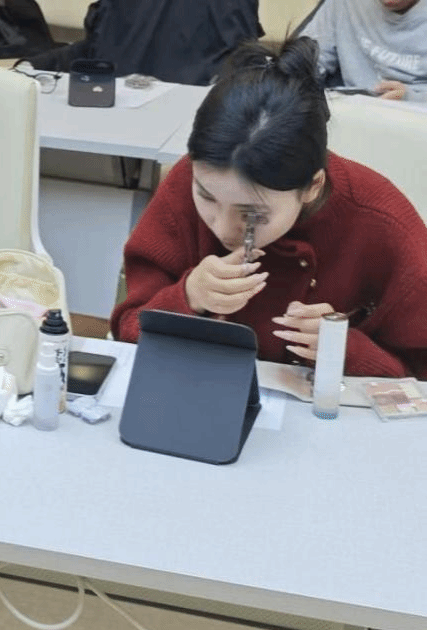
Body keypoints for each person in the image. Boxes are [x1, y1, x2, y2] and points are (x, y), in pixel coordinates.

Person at [110, 37, 427, 379]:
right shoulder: (188, 180)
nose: (222, 228)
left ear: (312, 186)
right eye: (206, 197)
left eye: (253, 215)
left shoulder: (382, 224)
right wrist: (187, 297)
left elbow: (418, 381)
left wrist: (347, 351)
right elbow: (126, 330)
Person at [300, 0, 427, 101]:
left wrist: (412, 98)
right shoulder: (344, 4)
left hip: (416, 114)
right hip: (353, 110)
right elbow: (301, 63)